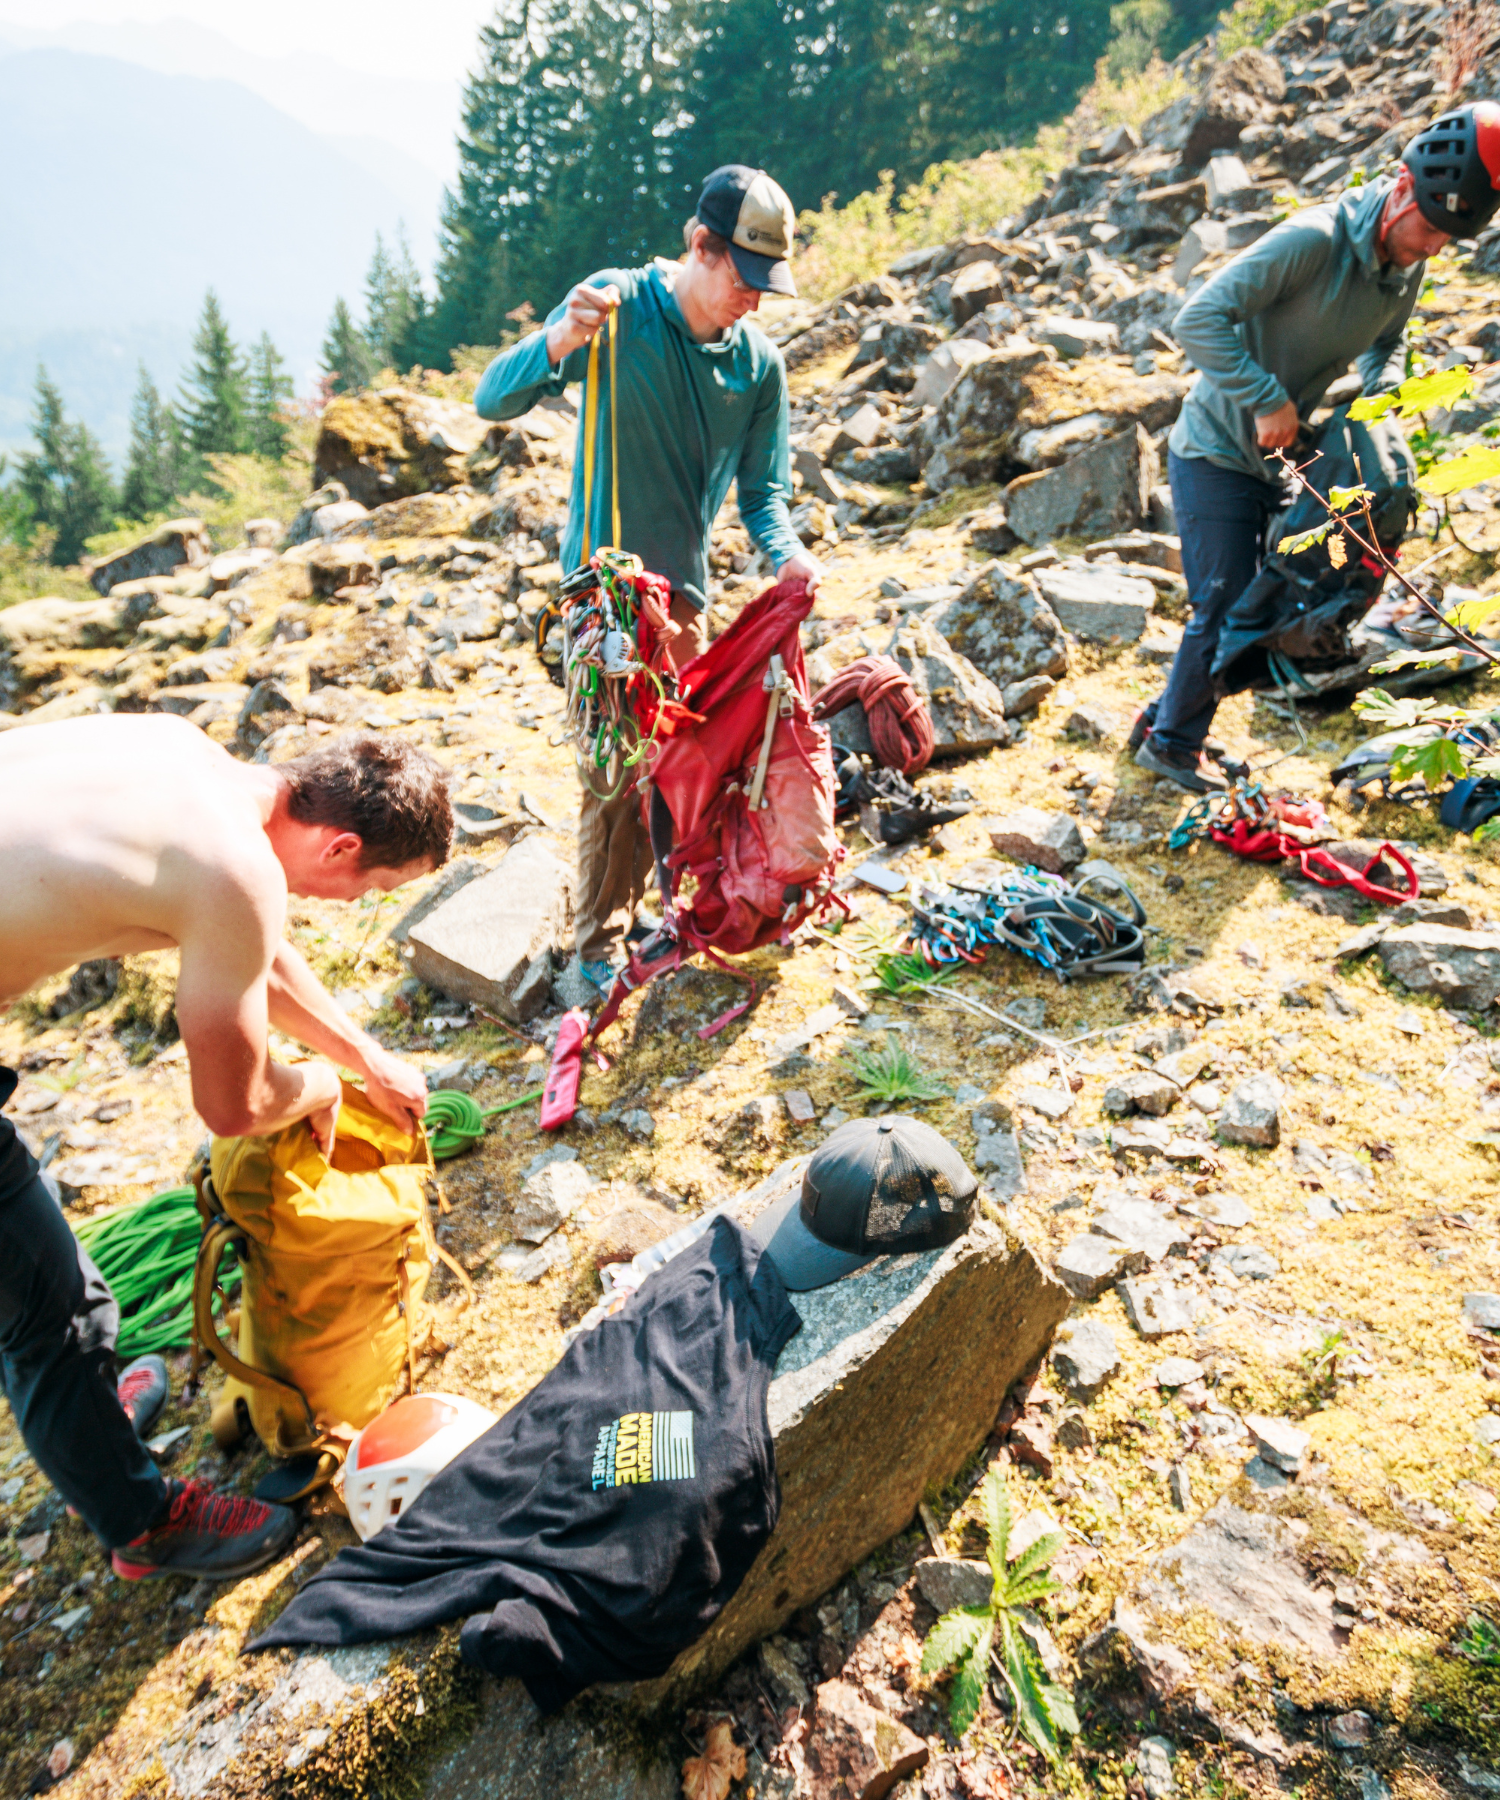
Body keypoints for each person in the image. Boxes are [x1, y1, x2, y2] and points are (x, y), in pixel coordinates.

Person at [0, 718, 451, 1580]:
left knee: (43, 1278)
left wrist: (362, 1055)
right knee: (54, 1315)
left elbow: (252, 945)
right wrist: (323, 1089)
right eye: (367, 889)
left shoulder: (185, 757)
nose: (344, 905)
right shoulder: (238, 872)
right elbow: (234, 1106)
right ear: (342, 845)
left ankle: (85, 1433)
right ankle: (142, 1524)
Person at [475, 163, 822, 1000]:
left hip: (686, 600)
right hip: (604, 590)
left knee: (684, 765)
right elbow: (492, 398)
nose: (754, 299)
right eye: (743, 278)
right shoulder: (616, 306)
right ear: (699, 245)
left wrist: (788, 556)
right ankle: (596, 946)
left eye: (766, 284)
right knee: (612, 774)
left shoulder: (758, 367)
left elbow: (763, 495)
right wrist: (557, 341)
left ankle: (682, 910)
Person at [1133, 103, 1500, 793]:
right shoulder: (1309, 240)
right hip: (1215, 448)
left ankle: (1160, 722)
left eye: (1448, 239)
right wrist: (1265, 396)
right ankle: (1173, 748)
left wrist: (1380, 399)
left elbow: (1387, 345)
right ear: (1400, 188)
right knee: (1222, 600)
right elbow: (1198, 318)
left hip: (1288, 452)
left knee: (1277, 599)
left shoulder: (1404, 265)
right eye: (1429, 230)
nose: (1433, 250)